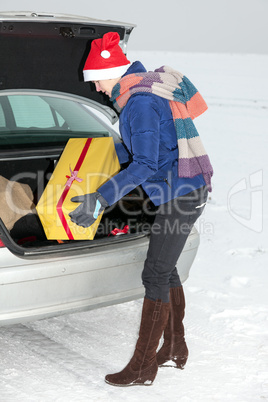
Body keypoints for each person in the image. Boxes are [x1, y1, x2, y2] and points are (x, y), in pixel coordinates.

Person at [69, 31, 213, 387]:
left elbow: (145, 163)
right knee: (168, 270)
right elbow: (143, 150)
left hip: (181, 193)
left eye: (97, 80)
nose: (97, 89)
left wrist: (101, 198)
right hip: (180, 188)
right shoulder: (138, 95)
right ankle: (175, 348)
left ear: (114, 72)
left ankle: (142, 367)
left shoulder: (141, 103)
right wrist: (89, 162)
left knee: (155, 274)